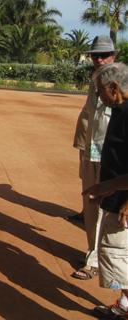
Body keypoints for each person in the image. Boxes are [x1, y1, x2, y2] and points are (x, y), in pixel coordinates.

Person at [83, 62, 128, 320]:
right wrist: (105, 188)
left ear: (114, 88)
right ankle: (124, 305)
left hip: (123, 204)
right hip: (116, 196)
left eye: (100, 91)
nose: (98, 96)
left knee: (118, 258)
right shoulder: (120, 111)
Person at [71, 35, 116, 281]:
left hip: (112, 154)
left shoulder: (122, 80)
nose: (99, 59)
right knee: (91, 206)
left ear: (114, 56)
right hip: (93, 150)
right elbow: (89, 116)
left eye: (104, 55)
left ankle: (97, 261)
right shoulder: (95, 79)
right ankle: (93, 253)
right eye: (95, 55)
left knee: (107, 209)